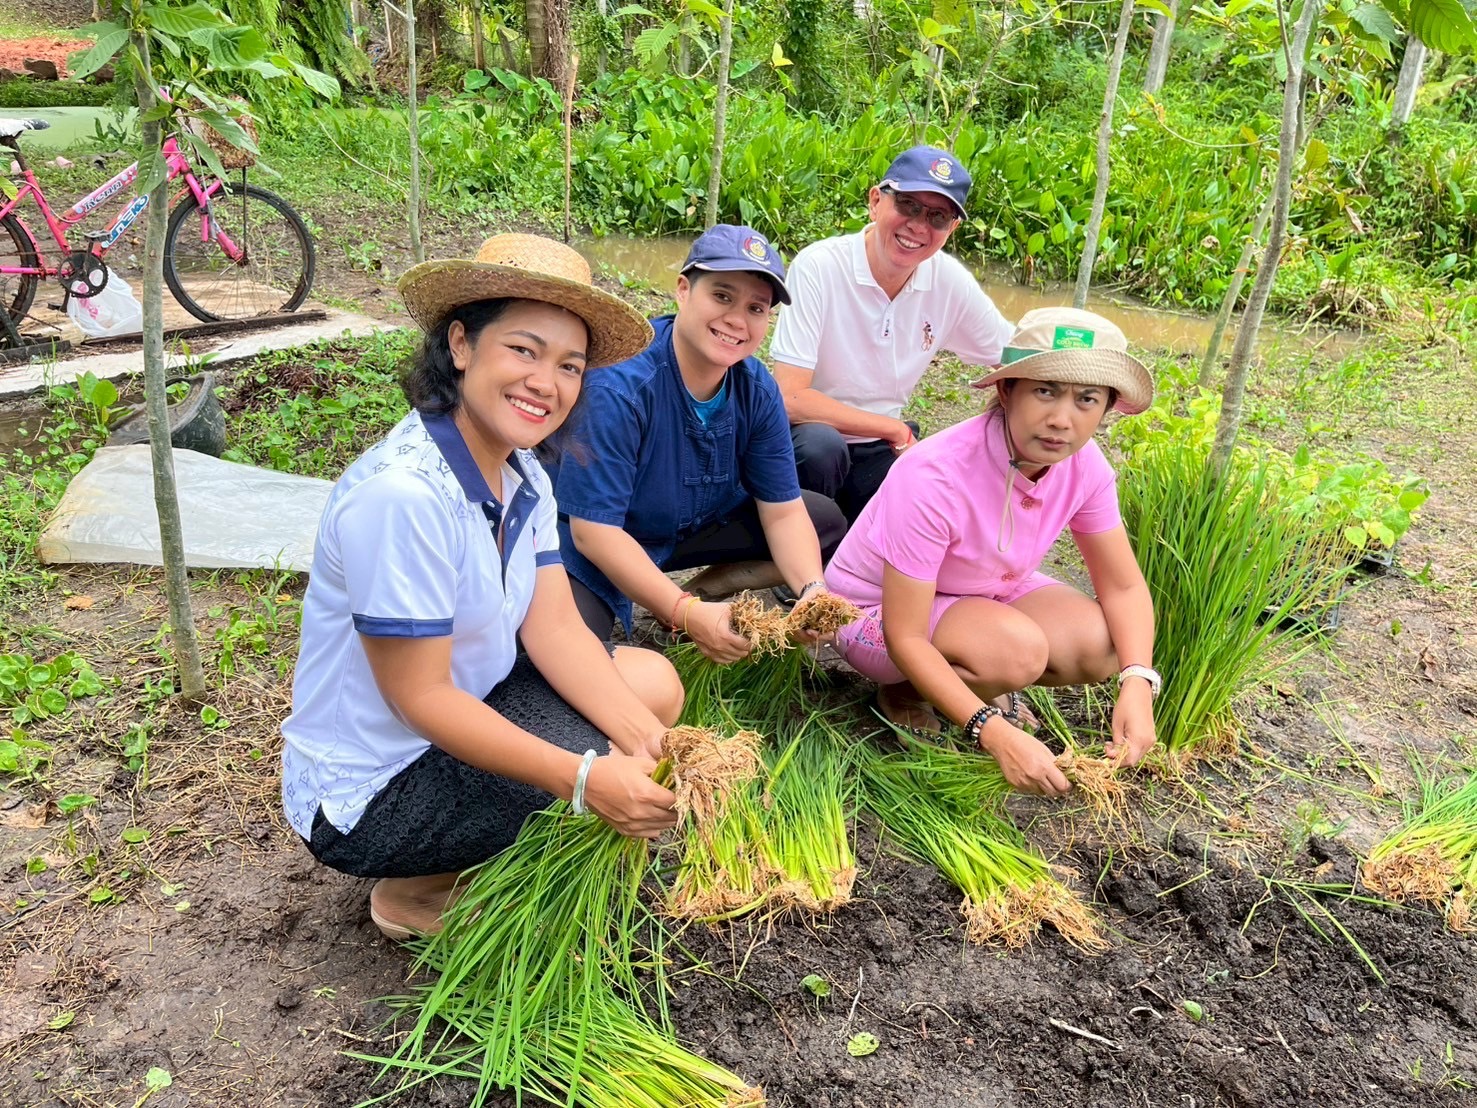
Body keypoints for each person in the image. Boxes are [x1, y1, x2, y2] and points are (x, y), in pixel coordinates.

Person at [281, 234, 684, 941]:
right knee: (591, 767)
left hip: (458, 711)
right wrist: (587, 779)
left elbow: (557, 629)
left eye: (568, 365)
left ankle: (489, 842)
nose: (545, 382)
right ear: (461, 344)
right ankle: (412, 891)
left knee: (649, 689)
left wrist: (653, 744)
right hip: (373, 789)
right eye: (523, 351)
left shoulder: (522, 474)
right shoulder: (404, 496)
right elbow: (420, 697)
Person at [823, 307, 1161, 797]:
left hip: (984, 590)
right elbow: (907, 634)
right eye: (1045, 391)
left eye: (1086, 399)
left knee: (1102, 644)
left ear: (1106, 408)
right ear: (1007, 391)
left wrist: (1137, 682)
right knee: (1014, 653)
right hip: (877, 612)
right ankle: (901, 691)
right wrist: (990, 730)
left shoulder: (1084, 466)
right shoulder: (935, 475)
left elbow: (1124, 586)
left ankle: (972, 667)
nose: (1061, 420)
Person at [548, 224, 846, 661]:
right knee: (570, 653)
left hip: (690, 523)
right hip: (600, 535)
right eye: (722, 296)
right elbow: (594, 532)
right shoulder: (620, 387)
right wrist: (682, 613)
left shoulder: (755, 388)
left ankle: (707, 589)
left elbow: (782, 513)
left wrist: (813, 592)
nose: (736, 320)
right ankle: (671, 606)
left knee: (822, 521)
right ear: (683, 290)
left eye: (756, 308)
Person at [770, 144, 1015, 522]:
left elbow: (1012, 351)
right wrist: (892, 427)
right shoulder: (819, 267)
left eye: (937, 216)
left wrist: (1082, 355)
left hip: (880, 449)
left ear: (952, 229)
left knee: (934, 496)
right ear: (876, 201)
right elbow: (790, 398)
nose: (918, 225)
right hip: (807, 440)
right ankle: (793, 554)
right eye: (908, 205)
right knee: (822, 448)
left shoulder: (949, 283)